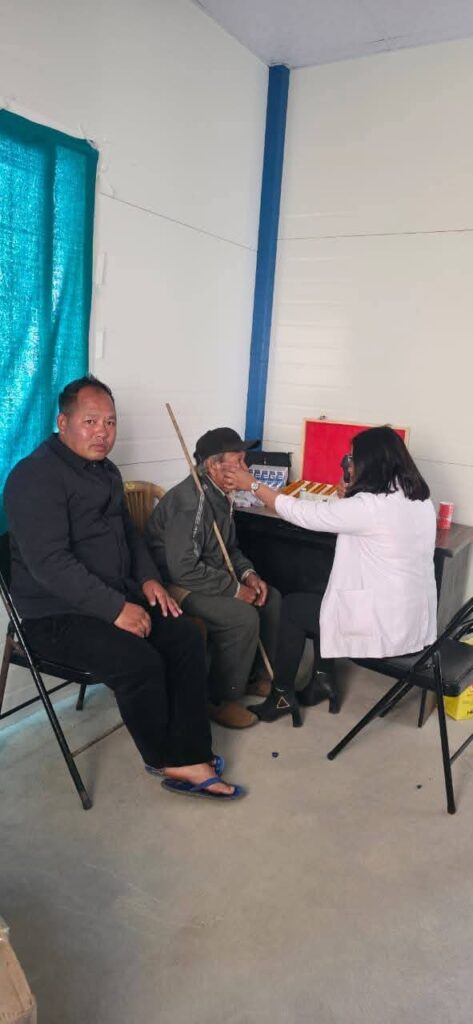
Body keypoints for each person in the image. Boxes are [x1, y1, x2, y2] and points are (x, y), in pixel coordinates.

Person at [4, 376, 244, 800]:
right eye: (90, 421)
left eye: (110, 422)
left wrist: (149, 578)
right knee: (140, 660)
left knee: (184, 635)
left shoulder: (107, 472)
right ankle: (165, 757)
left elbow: (129, 535)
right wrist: (116, 609)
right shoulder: (34, 477)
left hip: (113, 595)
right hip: (55, 614)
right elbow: (50, 564)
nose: (102, 432)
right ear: (63, 422)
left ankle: (190, 751)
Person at [222, 426, 437, 726]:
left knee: (294, 608)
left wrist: (254, 485)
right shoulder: (418, 500)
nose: (348, 465)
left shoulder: (369, 507)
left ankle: (281, 695)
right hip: (411, 618)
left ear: (370, 463)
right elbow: (365, 525)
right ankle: (322, 681)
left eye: (351, 458)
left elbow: (303, 513)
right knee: (325, 595)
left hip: (384, 624)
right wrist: (348, 499)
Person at [145, 428, 281, 729]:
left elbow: (229, 549)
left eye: (244, 460)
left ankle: (255, 676)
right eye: (238, 461)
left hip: (205, 575)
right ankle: (220, 699)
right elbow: (182, 569)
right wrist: (234, 589)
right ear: (213, 466)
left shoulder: (221, 496)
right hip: (173, 585)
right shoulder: (190, 501)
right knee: (241, 616)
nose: (245, 468)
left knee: (270, 598)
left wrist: (248, 575)